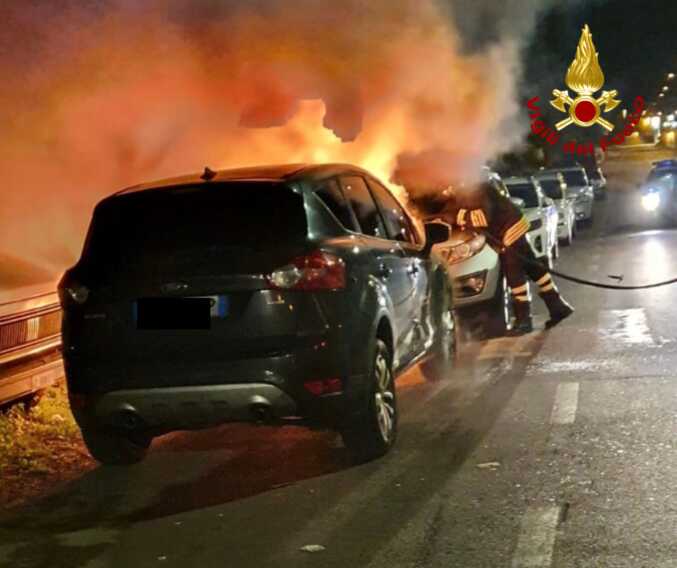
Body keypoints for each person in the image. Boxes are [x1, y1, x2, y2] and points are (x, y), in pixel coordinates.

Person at [427, 175, 574, 335]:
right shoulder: (466, 193)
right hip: (512, 228)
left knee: (514, 275)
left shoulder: (477, 191)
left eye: (448, 187)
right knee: (534, 268)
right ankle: (558, 306)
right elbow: (452, 210)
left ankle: (524, 321)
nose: (447, 191)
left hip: (509, 231)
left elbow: (482, 218)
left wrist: (458, 217)